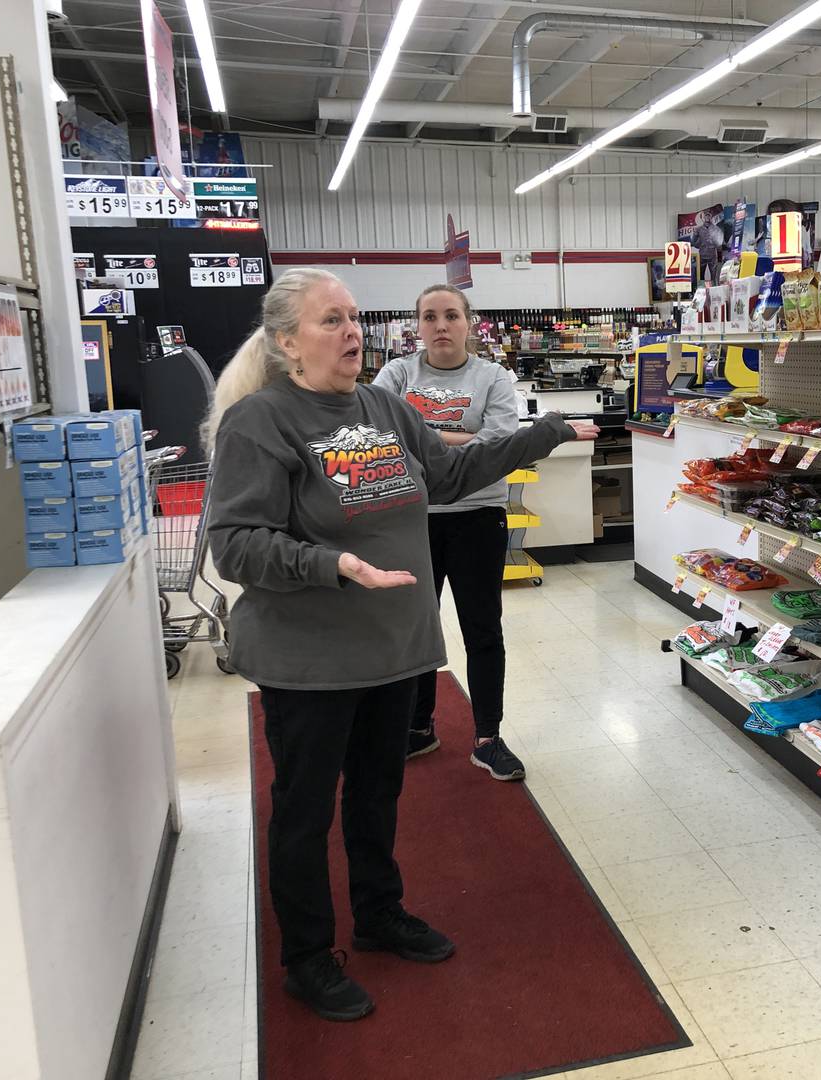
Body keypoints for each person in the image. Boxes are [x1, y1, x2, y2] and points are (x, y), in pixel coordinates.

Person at [204, 268, 598, 1023]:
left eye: (354, 318)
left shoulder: (386, 405)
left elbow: (449, 473)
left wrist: (541, 435)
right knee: (303, 810)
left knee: (379, 795)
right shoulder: (263, 422)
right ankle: (308, 957)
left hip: (392, 651)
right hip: (310, 662)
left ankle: (379, 913)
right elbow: (235, 547)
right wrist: (332, 565)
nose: (352, 332)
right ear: (287, 342)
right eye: (330, 321)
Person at [372, 284, 526, 781]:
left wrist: (422, 437)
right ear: (416, 325)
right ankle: (417, 728)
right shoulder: (395, 373)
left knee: (483, 629)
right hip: (410, 516)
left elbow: (500, 443)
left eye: (451, 316)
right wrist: (464, 440)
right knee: (415, 628)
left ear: (469, 322)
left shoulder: (493, 377)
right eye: (431, 317)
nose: (441, 326)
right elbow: (377, 436)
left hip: (478, 515)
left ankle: (487, 737)